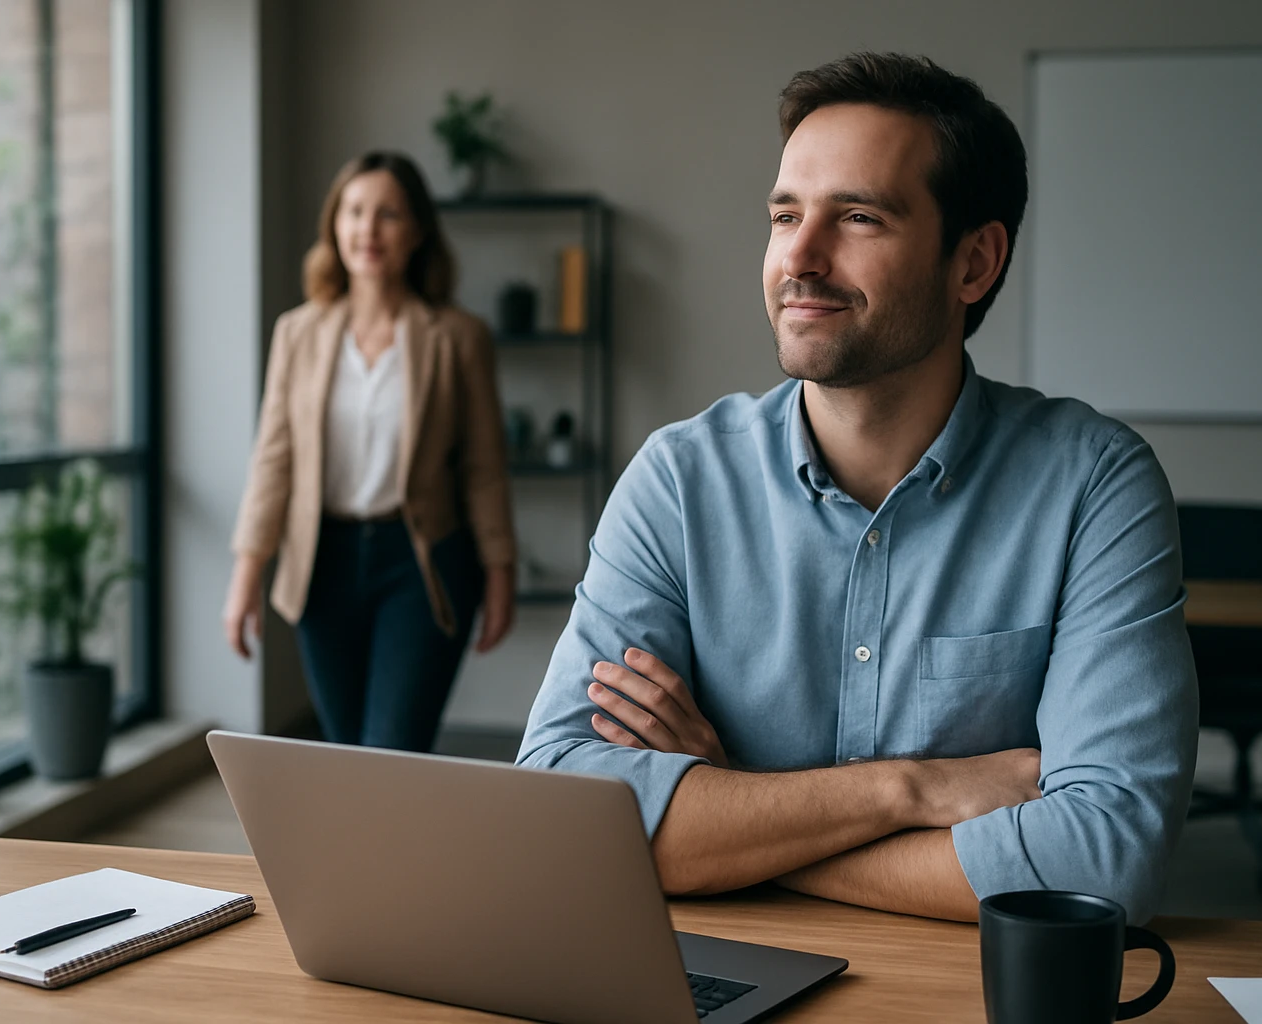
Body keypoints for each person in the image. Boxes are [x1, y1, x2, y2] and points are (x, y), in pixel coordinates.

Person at [517, 53, 1197, 925]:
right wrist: (910, 791)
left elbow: (1105, 865)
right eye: (785, 215)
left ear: (975, 263)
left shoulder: (1093, 483)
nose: (799, 256)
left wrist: (734, 812)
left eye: (860, 217)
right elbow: (565, 810)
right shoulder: (679, 479)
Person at [225, 151, 517, 751]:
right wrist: (246, 575)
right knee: (343, 756)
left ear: (416, 231)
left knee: (392, 753)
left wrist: (499, 573)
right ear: (334, 225)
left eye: (388, 214)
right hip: (321, 563)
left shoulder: (458, 337)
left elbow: (484, 469)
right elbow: (272, 459)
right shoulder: (298, 333)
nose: (368, 229)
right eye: (354, 211)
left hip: (421, 565)